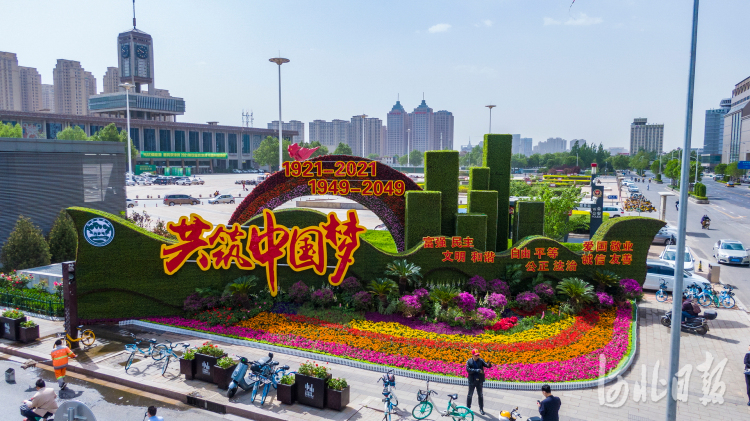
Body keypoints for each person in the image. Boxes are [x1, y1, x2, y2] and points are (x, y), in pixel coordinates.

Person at [465, 349, 492, 415]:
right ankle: (468, 408)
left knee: (480, 395)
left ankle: (481, 409)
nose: (478, 356)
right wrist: (476, 370)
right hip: (472, 381)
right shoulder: (469, 361)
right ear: (472, 355)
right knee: (470, 395)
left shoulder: (481, 361)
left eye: (478, 355)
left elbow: (486, 365)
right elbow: (468, 370)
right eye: (476, 355)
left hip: (479, 381)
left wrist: (489, 364)